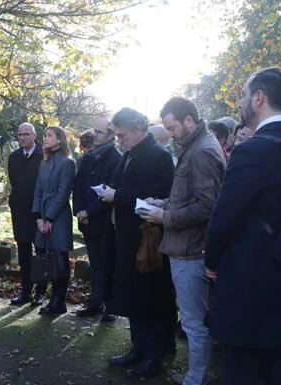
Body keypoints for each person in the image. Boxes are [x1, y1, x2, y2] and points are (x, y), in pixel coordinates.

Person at [205, 67, 281, 385]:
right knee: (277, 364)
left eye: (243, 95)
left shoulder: (253, 149)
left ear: (259, 98)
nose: (240, 102)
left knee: (243, 369)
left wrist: (211, 260)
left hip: (248, 285)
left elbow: (225, 216)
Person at [140, 97, 226, 385]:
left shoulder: (200, 151)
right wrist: (162, 203)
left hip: (191, 250)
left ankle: (195, 379)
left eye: (172, 127)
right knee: (194, 320)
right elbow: (187, 197)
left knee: (193, 322)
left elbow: (207, 205)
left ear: (189, 120)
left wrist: (165, 217)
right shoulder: (195, 146)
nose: (171, 133)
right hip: (188, 245)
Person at [100, 107, 176, 379]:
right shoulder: (130, 154)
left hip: (146, 239)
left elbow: (156, 196)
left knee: (150, 297)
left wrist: (116, 195)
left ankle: (154, 356)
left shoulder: (159, 156)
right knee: (133, 295)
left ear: (136, 129)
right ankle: (138, 347)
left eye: (122, 135)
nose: (119, 141)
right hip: (125, 236)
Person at [73, 118, 121, 321]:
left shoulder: (116, 158)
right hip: (87, 220)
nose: (95, 135)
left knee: (107, 264)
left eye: (99, 132)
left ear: (111, 134)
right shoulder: (89, 156)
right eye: (94, 131)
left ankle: (110, 306)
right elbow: (79, 185)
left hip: (103, 220)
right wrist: (79, 211)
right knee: (95, 264)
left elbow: (111, 190)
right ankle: (95, 302)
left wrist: (89, 211)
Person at [32, 126, 75, 316]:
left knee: (59, 258)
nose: (45, 138)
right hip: (43, 215)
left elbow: (64, 193)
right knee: (45, 257)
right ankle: (48, 297)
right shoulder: (44, 163)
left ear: (60, 139)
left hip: (59, 216)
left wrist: (50, 217)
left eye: (49, 135)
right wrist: (39, 217)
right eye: (45, 135)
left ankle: (59, 301)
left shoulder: (67, 163)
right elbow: (38, 191)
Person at [7, 122, 46, 306]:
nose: (22, 137)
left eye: (26, 134)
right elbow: (15, 181)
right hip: (20, 210)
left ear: (34, 135)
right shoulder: (14, 157)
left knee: (40, 252)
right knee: (23, 252)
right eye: (20, 134)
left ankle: (40, 292)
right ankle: (25, 291)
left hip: (39, 211)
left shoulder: (43, 154)